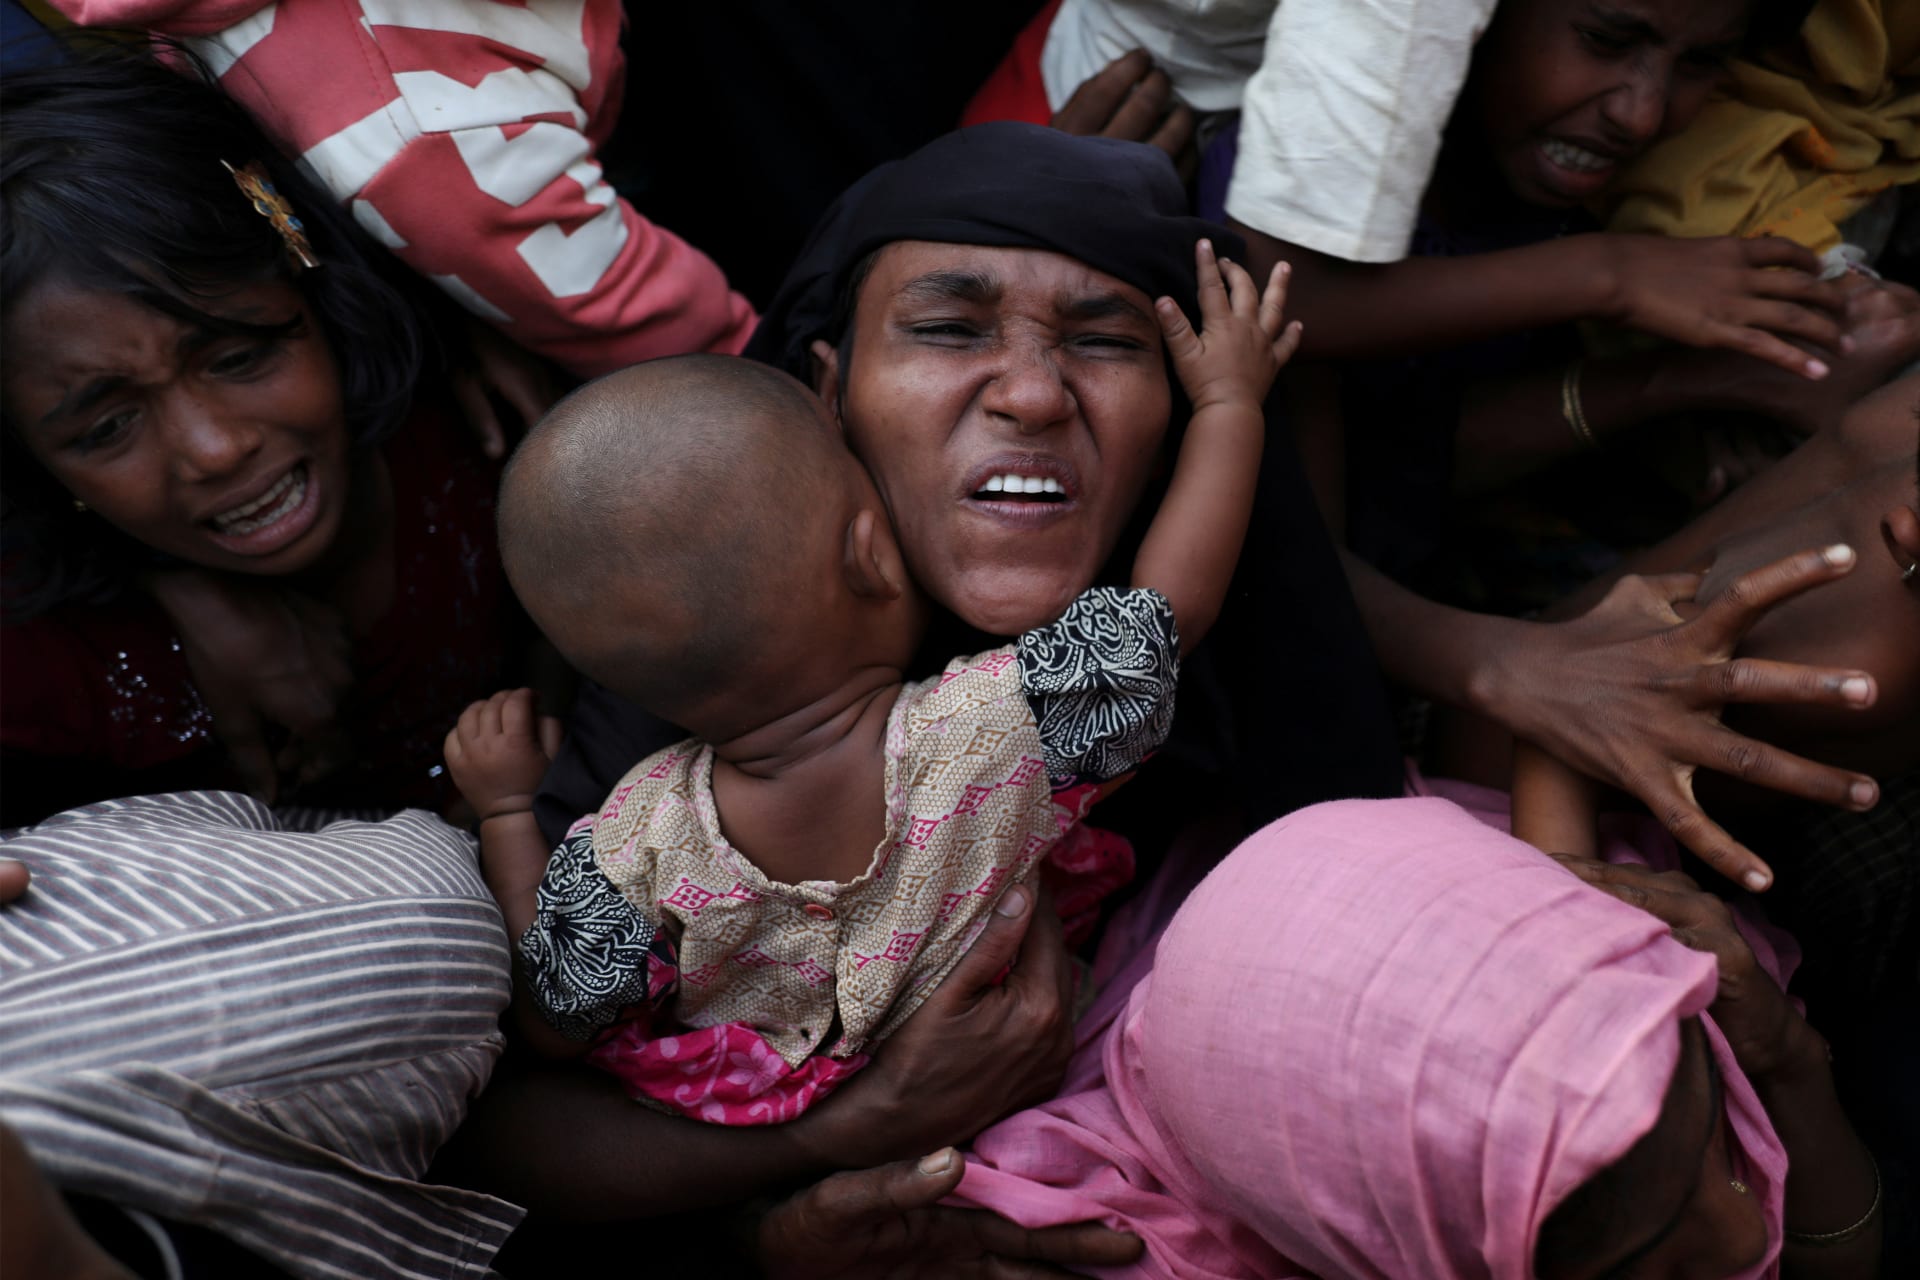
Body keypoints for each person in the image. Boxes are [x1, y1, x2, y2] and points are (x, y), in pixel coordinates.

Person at [450, 247, 1296, 1122]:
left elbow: (557, 1017)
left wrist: (511, 813)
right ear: (868, 553)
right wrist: (1231, 406)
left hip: (760, 1155)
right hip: (1026, 1095)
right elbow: (1167, 615)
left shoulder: (636, 842)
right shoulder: (988, 728)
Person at [950, 789, 1884, 1277]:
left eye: (1718, 1143)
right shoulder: (1100, 1247)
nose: (1740, 1239)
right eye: (1659, 1269)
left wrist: (1786, 1064)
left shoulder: (1609, 974)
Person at [0, 54, 516, 820]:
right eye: (107, 427)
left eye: (238, 356)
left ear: (311, 279)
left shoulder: (484, 419)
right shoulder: (56, 659)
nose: (215, 448)